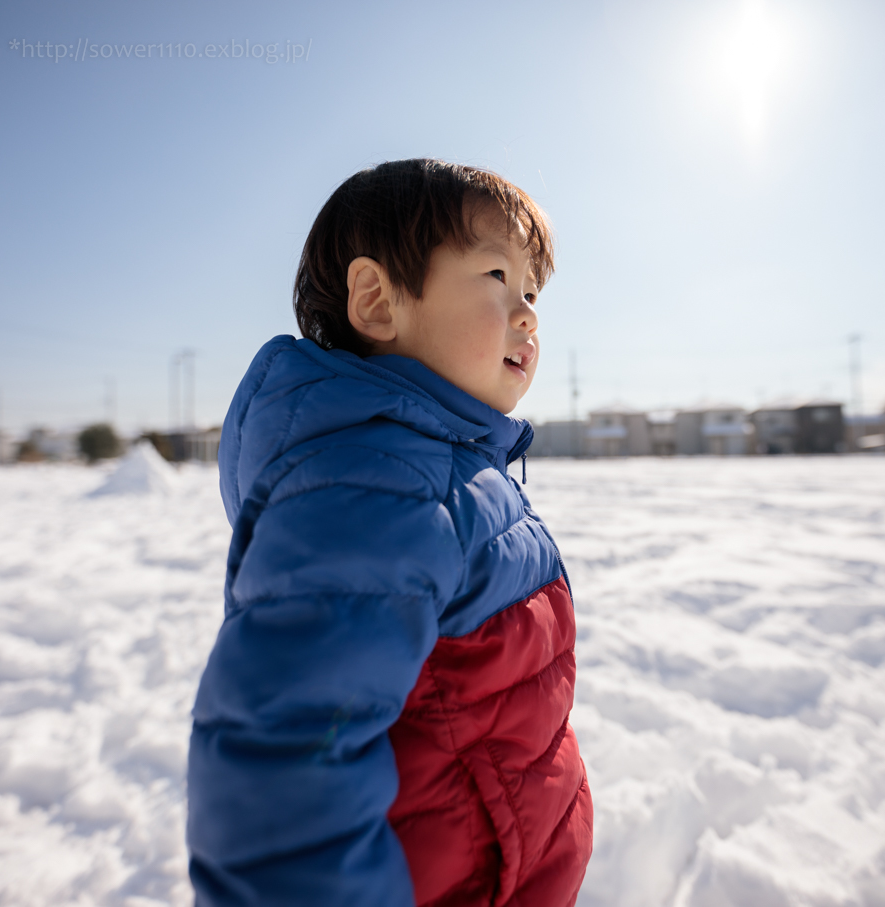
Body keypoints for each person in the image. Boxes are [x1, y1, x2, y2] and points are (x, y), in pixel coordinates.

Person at [187, 159, 592, 907]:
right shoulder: (372, 485)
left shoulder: (448, 465)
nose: (528, 312)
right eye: (497, 277)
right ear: (377, 301)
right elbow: (286, 767)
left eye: (533, 291)